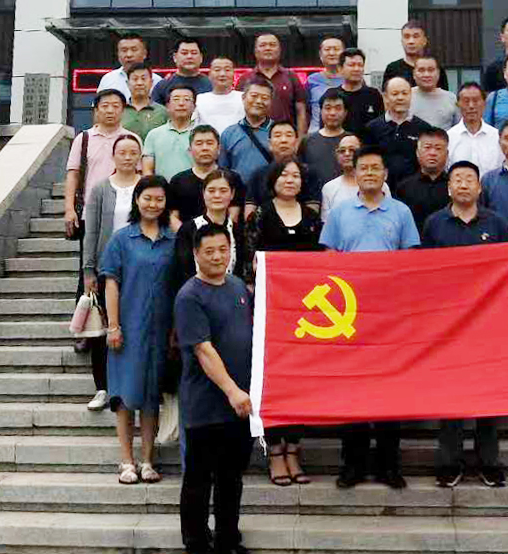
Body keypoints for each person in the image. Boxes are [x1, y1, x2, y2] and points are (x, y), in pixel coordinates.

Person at [320, 145, 421, 489]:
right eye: (363, 168)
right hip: (350, 316)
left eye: (376, 168)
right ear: (355, 173)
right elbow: (329, 259)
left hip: (390, 317)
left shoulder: (402, 212)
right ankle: (353, 464)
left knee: (391, 391)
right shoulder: (340, 213)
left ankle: (389, 465)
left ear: (385, 174)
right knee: (352, 390)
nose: (370, 174)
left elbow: (411, 261)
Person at [422, 161, 508, 488]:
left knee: (489, 393)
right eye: (457, 179)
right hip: (447, 324)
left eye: (469, 179)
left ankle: (489, 461)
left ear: (479, 187)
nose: (462, 184)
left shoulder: (497, 223)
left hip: (488, 323)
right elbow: (424, 272)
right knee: (451, 393)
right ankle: (449, 462)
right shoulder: (434, 223)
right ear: (448, 188)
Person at [175, 223, 255, 554]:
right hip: (206, 405)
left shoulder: (237, 286)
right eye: (209, 251)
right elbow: (203, 350)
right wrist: (232, 390)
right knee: (198, 478)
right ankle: (195, 541)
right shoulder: (189, 296)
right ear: (196, 254)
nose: (217, 257)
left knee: (231, 477)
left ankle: (227, 538)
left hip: (240, 405)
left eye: (223, 249)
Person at [244, 159, 323, 485]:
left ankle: (294, 449)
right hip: (271, 312)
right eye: (284, 175)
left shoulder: (313, 219)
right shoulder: (260, 215)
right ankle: (275, 451)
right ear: (273, 180)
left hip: (306, 315)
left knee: (301, 382)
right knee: (275, 380)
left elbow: (323, 262)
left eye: (296, 176)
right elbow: (250, 265)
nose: (290, 180)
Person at [98, 175, 177, 485]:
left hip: (161, 331)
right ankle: (126, 461)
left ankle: (147, 460)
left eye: (159, 199)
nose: (153, 204)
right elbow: (111, 283)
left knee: (150, 396)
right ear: (136, 200)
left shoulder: (173, 240)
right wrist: (113, 326)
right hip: (127, 330)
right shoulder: (122, 239)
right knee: (124, 396)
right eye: (147, 198)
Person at [80, 133, 144, 411]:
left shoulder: (148, 186)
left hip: (141, 266)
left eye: (133, 152)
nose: (128, 157)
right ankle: (102, 387)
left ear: (140, 156)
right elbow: (91, 232)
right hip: (107, 268)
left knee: (137, 325)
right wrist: (88, 270)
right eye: (122, 152)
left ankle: (132, 385)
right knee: (103, 328)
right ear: (113, 156)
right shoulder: (100, 189)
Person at [64, 89, 138, 242]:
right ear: (96, 110)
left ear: (123, 110)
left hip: (125, 212)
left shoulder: (132, 139)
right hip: (90, 212)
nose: (110, 110)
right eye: (105, 106)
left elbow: (140, 175)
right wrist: (69, 209)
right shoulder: (83, 139)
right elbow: (73, 175)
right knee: (90, 255)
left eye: (115, 106)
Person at [173, 169, 253, 292]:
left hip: (231, 295)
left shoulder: (238, 231)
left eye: (223, 191)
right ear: (203, 193)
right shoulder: (188, 229)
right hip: (196, 295)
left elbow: (241, 270)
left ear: (232, 194)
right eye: (211, 190)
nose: (217, 195)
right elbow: (182, 271)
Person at [166, 125, 245, 229]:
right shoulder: (178, 181)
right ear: (190, 150)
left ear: (219, 149)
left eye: (209, 143)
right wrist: (186, 235)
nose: (205, 148)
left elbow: (234, 215)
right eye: (199, 143)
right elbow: (173, 217)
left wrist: (218, 235)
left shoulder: (233, 178)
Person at [363, 76, 432, 186]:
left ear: (411, 96)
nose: (400, 98)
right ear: (385, 97)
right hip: (381, 188)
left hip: (415, 188)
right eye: (395, 94)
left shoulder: (424, 128)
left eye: (405, 93)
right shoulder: (372, 128)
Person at [244, 122, 319, 218]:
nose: (283, 140)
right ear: (270, 143)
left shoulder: (309, 173)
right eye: (277, 135)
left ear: (296, 143)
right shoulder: (258, 175)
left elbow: (313, 212)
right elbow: (250, 212)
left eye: (289, 135)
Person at [320, 133, 392, 220]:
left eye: (352, 150)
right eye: (342, 151)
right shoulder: (329, 188)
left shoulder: (379, 185)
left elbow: (389, 217)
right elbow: (327, 223)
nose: (347, 154)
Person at [394, 126, 451, 233]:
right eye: (427, 147)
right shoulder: (404, 187)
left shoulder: (454, 186)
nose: (432, 153)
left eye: (438, 148)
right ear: (417, 152)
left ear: (447, 154)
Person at [220, 80, 275, 185]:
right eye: (254, 96)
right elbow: (223, 171)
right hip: (239, 192)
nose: (259, 101)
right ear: (243, 98)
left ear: (271, 102)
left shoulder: (279, 132)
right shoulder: (229, 133)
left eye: (264, 98)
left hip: (269, 192)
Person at [251, 33, 307, 133]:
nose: (268, 48)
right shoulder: (246, 79)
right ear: (255, 51)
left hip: (285, 137)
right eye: (263, 45)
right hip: (253, 136)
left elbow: (301, 111)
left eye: (272, 45)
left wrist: (300, 139)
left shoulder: (291, 77)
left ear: (279, 50)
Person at [446, 82, 504, 174]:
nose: (471, 106)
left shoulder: (497, 137)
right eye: (466, 101)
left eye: (476, 101)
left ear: (484, 104)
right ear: (458, 104)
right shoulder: (449, 138)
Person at [141, 85, 196, 181]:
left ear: (194, 106)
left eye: (187, 99)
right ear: (167, 106)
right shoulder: (154, 135)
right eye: (176, 99)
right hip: (161, 189)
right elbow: (147, 170)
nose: (181, 103)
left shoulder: (200, 134)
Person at [299, 87, 348, 191]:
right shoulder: (307, 141)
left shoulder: (352, 141)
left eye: (338, 108)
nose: (332, 113)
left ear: (345, 112)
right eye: (328, 108)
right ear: (321, 111)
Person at [383, 21, 449, 89]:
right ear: (402, 41)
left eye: (415, 36)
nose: (411, 41)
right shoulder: (392, 69)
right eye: (406, 37)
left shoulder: (434, 68)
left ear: (424, 41)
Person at [337, 47, 385, 135]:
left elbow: (381, 125)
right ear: (340, 69)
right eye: (351, 65)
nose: (356, 69)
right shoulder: (334, 95)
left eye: (360, 65)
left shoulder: (374, 95)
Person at [151, 38, 211, 106]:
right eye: (184, 53)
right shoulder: (162, 86)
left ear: (201, 57)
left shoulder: (211, 85)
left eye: (194, 53)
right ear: (175, 57)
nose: (189, 56)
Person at [193, 56, 245, 136]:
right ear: (209, 75)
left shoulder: (244, 98)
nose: (222, 74)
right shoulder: (199, 100)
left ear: (234, 74)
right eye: (217, 70)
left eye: (227, 70)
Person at [408, 54, 459, 129]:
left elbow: (459, 128)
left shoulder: (451, 98)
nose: (426, 75)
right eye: (421, 70)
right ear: (414, 74)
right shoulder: (405, 97)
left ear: (438, 73)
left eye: (431, 70)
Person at [306, 36, 346, 130]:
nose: (331, 53)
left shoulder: (350, 79)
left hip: (343, 133)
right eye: (327, 49)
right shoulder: (311, 80)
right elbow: (304, 110)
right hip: (316, 132)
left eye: (336, 49)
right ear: (320, 54)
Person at [120, 62, 167, 140]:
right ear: (127, 83)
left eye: (143, 79)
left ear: (151, 83)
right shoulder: (119, 111)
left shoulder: (162, 112)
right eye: (135, 79)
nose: (139, 83)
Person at [97, 33, 147, 101]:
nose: (129, 55)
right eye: (124, 50)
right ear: (118, 54)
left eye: (134, 50)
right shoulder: (108, 79)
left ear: (144, 54)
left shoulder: (156, 81)